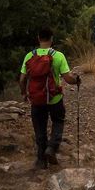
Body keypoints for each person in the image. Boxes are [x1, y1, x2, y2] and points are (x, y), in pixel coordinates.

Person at [19, 26, 80, 169]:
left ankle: (41, 160)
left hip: (36, 100)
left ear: (38, 38)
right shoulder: (58, 56)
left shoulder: (29, 56)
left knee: (39, 128)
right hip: (54, 98)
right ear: (52, 39)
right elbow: (67, 78)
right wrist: (76, 80)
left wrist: (24, 93)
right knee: (58, 121)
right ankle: (51, 148)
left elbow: (22, 79)